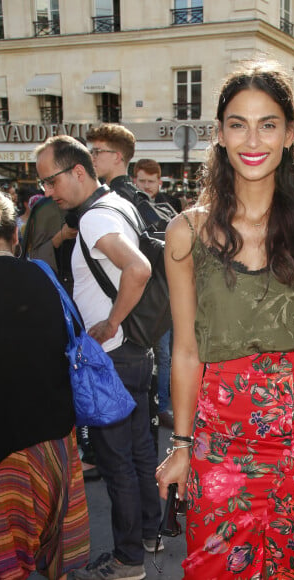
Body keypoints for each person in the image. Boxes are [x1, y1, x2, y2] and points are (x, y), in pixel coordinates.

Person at [155, 60, 294, 579]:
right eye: (237, 123)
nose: (252, 138)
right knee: (211, 569)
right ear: (219, 134)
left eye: (268, 123)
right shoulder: (187, 232)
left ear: (289, 134)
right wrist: (182, 446)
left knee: (287, 569)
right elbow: (186, 352)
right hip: (218, 439)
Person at [35, 135, 162, 579]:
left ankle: (128, 559)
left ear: (78, 172)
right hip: (136, 350)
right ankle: (150, 532)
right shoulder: (117, 203)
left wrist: (110, 321)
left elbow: (138, 268)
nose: (48, 192)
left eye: (51, 181)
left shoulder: (94, 219)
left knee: (116, 461)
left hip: (113, 355)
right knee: (141, 452)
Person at [0, 188, 90, 578]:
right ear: (14, 237)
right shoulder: (44, 277)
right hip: (52, 441)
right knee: (49, 548)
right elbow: (74, 335)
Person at [133, 158, 175, 430]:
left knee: (164, 355)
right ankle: (147, 408)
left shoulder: (169, 209)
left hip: (164, 294)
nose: (146, 186)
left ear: (159, 182)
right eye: (141, 181)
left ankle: (162, 407)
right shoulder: (128, 207)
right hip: (137, 294)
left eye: (151, 181)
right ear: (134, 180)